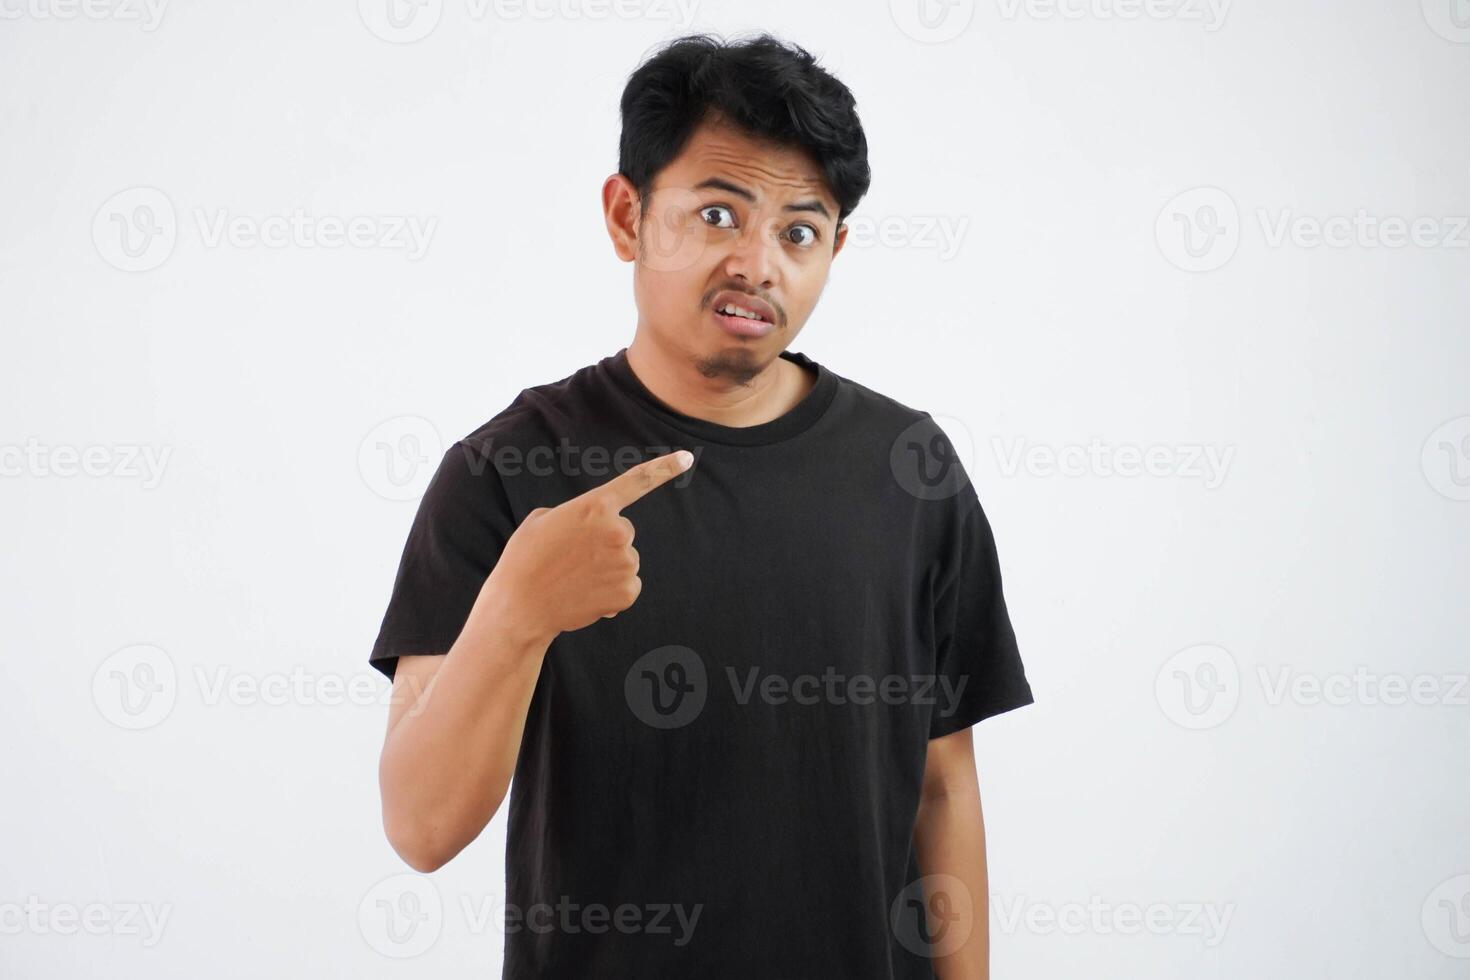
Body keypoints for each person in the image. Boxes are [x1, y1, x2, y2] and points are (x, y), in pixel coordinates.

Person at [370, 32, 1034, 979]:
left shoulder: (909, 467)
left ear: (835, 249)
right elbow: (421, 827)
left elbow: (940, 786)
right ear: (627, 215)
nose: (758, 264)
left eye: (799, 230)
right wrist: (519, 611)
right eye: (718, 214)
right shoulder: (507, 470)